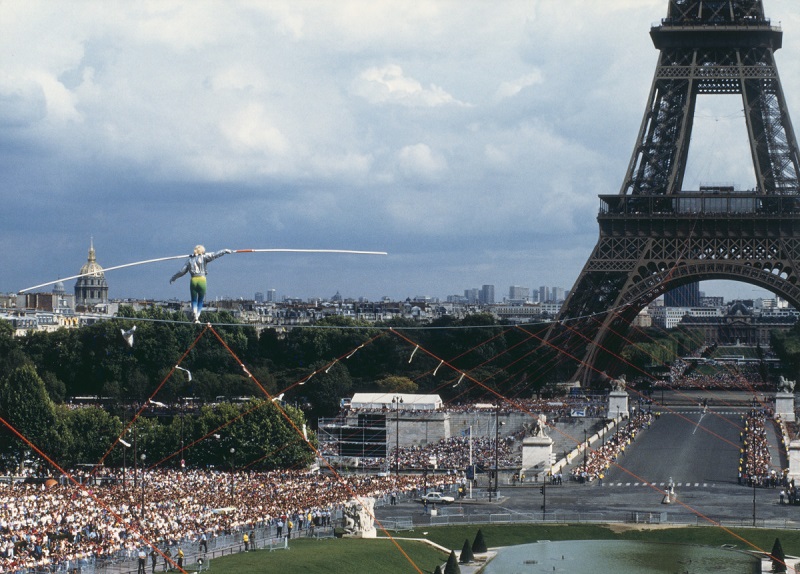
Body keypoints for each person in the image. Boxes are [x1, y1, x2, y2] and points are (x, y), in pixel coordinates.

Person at [170, 245, 232, 323]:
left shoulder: (189, 260)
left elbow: (182, 271)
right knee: (200, 300)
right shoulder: (204, 257)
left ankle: (195, 314)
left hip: (193, 280)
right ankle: (197, 316)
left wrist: (174, 278)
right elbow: (215, 255)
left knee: (194, 299)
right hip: (202, 280)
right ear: (202, 251)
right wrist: (225, 250)